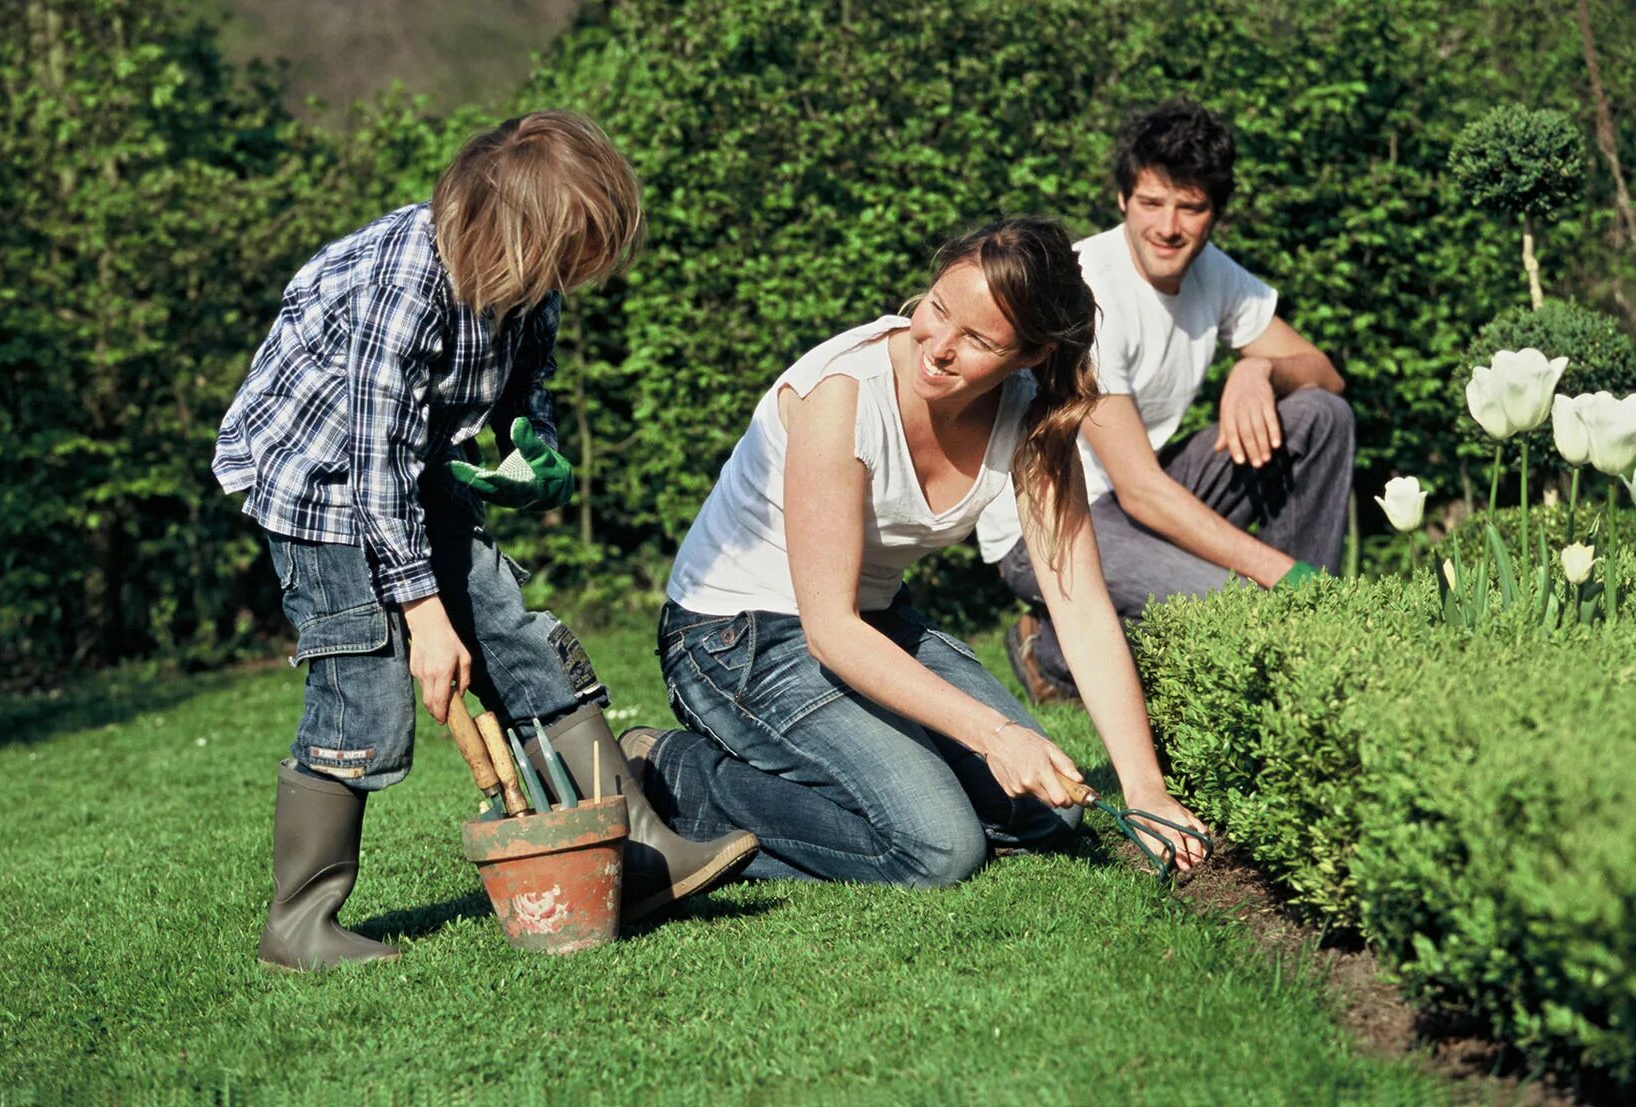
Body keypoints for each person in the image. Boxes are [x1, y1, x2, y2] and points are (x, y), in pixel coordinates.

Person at [213, 110, 758, 971]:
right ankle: (298, 924)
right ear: (513, 229)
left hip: (413, 469)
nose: (576, 275)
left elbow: (524, 382)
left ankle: (642, 853)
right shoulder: (402, 281)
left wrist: (527, 444)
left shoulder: (528, 283)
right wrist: (425, 617)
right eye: (569, 253)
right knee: (365, 683)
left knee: (516, 631)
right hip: (321, 484)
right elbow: (374, 464)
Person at [619, 217, 1208, 889]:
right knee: (937, 847)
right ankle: (673, 775)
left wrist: (1146, 790)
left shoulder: (1034, 420)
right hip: (733, 638)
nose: (939, 346)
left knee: (1047, 816)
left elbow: (1080, 608)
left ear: (1030, 354)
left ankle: (846, 786)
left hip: (869, 621)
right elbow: (830, 629)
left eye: (978, 339)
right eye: (937, 308)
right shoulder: (844, 396)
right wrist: (994, 734)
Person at [976, 100, 1354, 704]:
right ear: (1123, 198)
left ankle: (1311, 628)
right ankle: (1046, 649)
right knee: (1235, 611)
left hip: (1137, 499)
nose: (1169, 226)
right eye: (1151, 203)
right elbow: (1140, 489)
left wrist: (1258, 368)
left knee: (1320, 415)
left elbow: (1326, 377)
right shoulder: (1086, 289)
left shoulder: (1216, 274)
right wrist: (1276, 574)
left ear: (1216, 213)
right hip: (1047, 525)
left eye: (1191, 206)